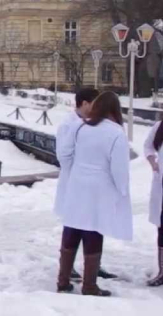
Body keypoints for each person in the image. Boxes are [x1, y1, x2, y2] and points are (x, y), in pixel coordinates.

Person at [55, 91, 131, 297]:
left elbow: (64, 153)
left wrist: (75, 170)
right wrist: (121, 189)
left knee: (71, 230)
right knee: (93, 232)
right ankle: (89, 286)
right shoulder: (116, 133)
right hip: (99, 188)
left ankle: (62, 281)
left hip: (76, 185)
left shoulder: (80, 126)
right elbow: (119, 168)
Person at [143, 117, 163, 287]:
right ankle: (162, 272)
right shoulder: (159, 127)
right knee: (162, 229)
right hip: (161, 185)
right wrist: (153, 163)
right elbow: (148, 146)